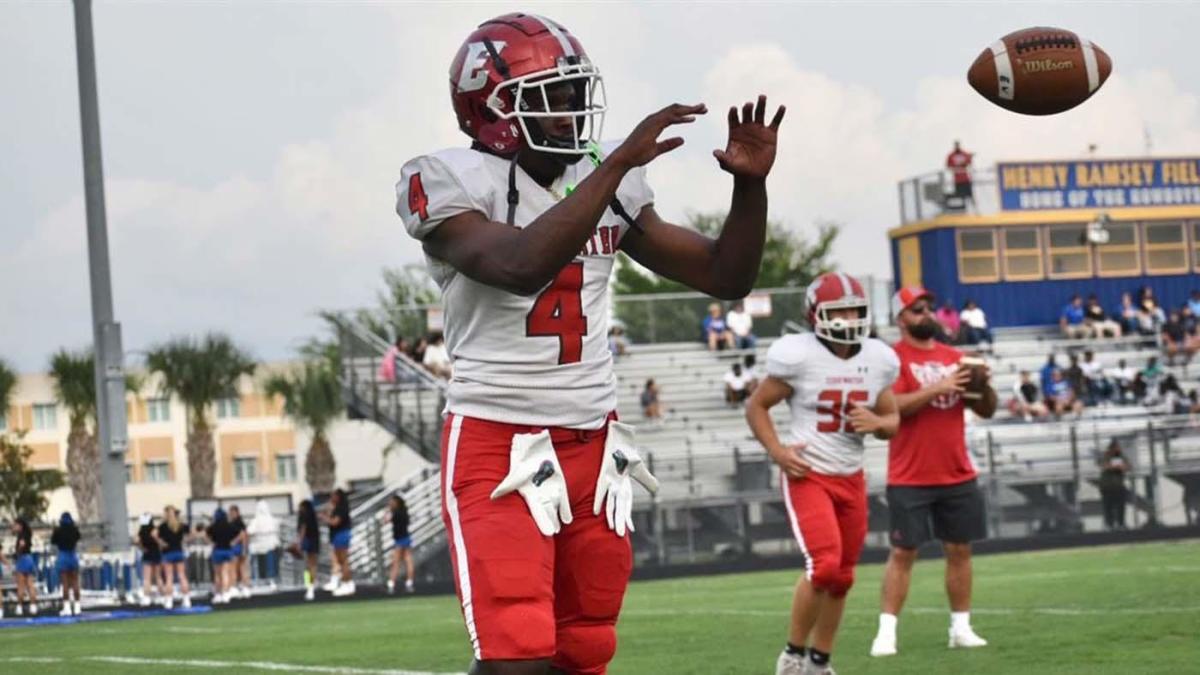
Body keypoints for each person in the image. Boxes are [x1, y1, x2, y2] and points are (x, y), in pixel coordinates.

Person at [395, 12, 784, 673]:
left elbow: (725, 274)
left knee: (586, 649)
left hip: (594, 443)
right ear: (491, 108)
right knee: (517, 655)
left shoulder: (608, 176)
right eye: (550, 94)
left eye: (575, 90)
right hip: (499, 440)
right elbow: (519, 267)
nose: (571, 108)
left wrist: (750, 187)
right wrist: (616, 167)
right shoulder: (448, 178)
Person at [745, 273, 899, 675]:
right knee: (825, 566)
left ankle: (820, 662)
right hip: (809, 473)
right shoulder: (798, 355)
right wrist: (778, 451)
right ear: (816, 315)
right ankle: (792, 656)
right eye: (839, 311)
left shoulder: (877, 358)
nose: (849, 318)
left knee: (844, 577)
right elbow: (756, 406)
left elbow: (893, 418)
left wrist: (878, 423)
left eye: (854, 310)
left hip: (852, 475)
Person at [871, 286, 997, 658]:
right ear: (900, 319)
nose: (926, 314)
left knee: (960, 550)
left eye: (928, 307)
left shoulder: (955, 356)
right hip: (910, 474)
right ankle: (887, 632)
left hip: (956, 471)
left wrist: (983, 385)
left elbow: (986, 409)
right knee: (903, 552)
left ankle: (961, 627)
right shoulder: (891, 360)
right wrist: (939, 386)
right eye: (916, 309)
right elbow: (892, 408)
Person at [157, 505, 193, 609]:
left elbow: (154, 535)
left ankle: (169, 600)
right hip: (178, 551)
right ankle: (186, 599)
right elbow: (192, 533)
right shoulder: (180, 525)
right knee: (182, 576)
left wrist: (162, 543)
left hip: (168, 553)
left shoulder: (163, 526)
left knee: (169, 577)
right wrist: (185, 540)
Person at [321, 488, 355, 597]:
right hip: (338, 535)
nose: (331, 498)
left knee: (343, 561)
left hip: (341, 534)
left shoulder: (342, 508)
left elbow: (335, 522)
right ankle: (349, 584)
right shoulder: (336, 507)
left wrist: (325, 518)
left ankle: (345, 584)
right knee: (341, 561)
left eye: (334, 495)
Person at [52, 512, 83, 617]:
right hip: (72, 555)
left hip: (63, 555)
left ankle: (67, 608)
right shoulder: (74, 529)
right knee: (75, 582)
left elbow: (53, 541)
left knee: (65, 583)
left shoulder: (58, 530)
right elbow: (78, 538)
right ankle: (77, 607)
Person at [384, 494, 416, 595]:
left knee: (396, 563)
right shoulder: (404, 512)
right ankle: (409, 583)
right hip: (406, 538)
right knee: (408, 561)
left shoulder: (395, 513)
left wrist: (387, 510)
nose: (390, 504)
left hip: (400, 540)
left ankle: (391, 584)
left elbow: (385, 520)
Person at [247, 500, 281, 588]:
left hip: (259, 545)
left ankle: (255, 578)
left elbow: (249, 531)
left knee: (258, 560)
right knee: (270, 561)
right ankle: (271, 578)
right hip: (269, 545)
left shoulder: (255, 520)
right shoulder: (273, 520)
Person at [206, 507, 237, 604]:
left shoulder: (213, 526)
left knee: (217, 574)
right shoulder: (230, 525)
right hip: (228, 551)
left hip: (217, 550)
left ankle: (218, 594)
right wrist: (233, 542)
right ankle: (226, 594)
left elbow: (205, 534)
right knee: (225, 573)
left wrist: (211, 542)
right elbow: (240, 534)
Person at [136, 512, 165, 607]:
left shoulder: (141, 531)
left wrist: (142, 548)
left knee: (147, 578)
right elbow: (159, 542)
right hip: (156, 554)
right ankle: (162, 597)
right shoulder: (155, 530)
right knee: (158, 577)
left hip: (147, 554)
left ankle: (147, 598)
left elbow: (137, 541)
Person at [1098, 440, 1129, 530]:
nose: (1118, 450)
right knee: (1108, 507)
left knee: (1121, 507)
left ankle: (1121, 524)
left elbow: (1126, 467)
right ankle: (1109, 525)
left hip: (1118, 486)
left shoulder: (1121, 457)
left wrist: (1117, 466)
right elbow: (1104, 465)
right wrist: (1116, 466)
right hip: (1107, 487)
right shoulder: (1106, 456)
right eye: (1116, 448)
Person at [11, 517, 38, 616]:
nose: (14, 527)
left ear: (20, 525)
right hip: (29, 558)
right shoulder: (27, 533)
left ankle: (19, 607)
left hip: (23, 559)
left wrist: (17, 554)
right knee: (30, 584)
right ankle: (33, 606)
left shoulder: (22, 535)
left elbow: (22, 545)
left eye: (15, 525)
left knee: (21, 585)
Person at [295, 499, 320, 601]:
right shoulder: (313, 516)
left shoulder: (303, 516)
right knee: (312, 564)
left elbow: (302, 529)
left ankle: (310, 585)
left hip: (308, 540)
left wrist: (299, 543)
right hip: (314, 539)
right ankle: (311, 583)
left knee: (309, 564)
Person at [228, 505, 251, 598]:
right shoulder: (240, 522)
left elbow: (243, 535)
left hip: (238, 547)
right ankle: (245, 588)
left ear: (237, 513)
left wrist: (234, 542)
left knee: (233, 568)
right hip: (242, 547)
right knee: (241, 568)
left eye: (232, 512)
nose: (231, 514)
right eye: (230, 513)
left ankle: (234, 587)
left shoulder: (236, 522)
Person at [945, 141, 974, 212]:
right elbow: (948, 165)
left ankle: (973, 209)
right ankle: (962, 209)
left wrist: (970, 158)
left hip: (966, 178)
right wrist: (956, 166)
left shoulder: (964, 153)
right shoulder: (951, 155)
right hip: (957, 179)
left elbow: (969, 161)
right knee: (960, 195)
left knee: (969, 195)